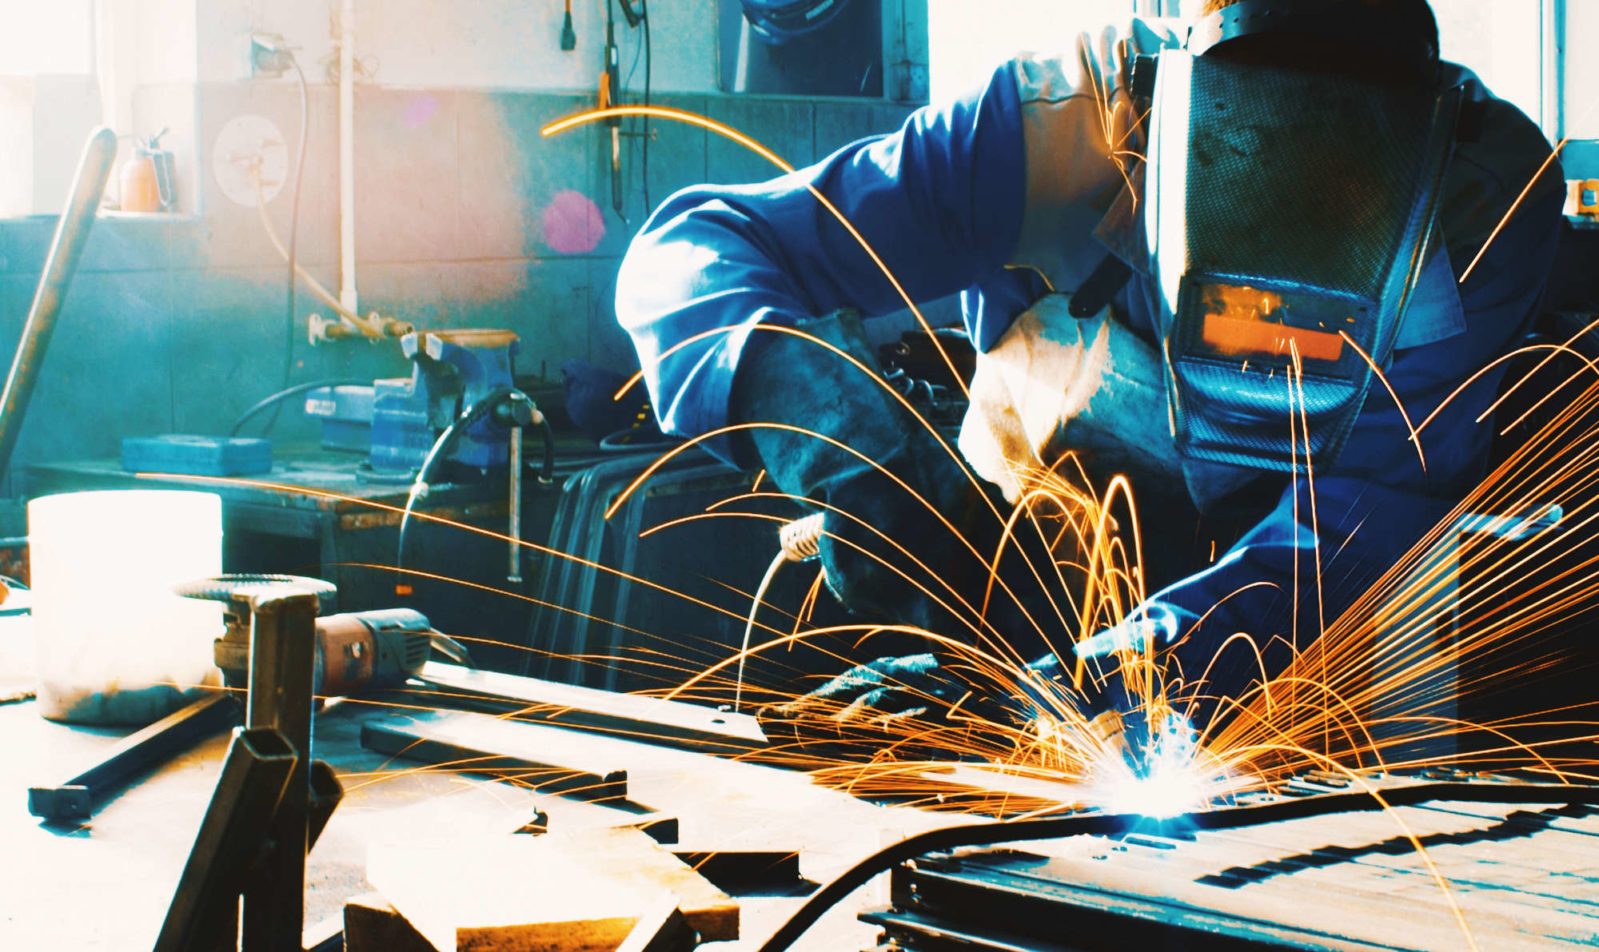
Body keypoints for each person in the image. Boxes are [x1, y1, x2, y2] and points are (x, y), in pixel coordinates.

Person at [613, 0, 1566, 730]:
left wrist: (1101, 681)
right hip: (995, 594)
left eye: (1343, 173)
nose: (1294, 185)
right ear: (1179, 99)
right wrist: (817, 414)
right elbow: (700, 246)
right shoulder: (1072, 122)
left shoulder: (1479, 200)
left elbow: (1361, 517)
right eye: (1256, 146)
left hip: (1321, 641)